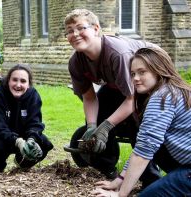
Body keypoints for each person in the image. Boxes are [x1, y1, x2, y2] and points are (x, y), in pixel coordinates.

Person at [64, 8, 161, 183]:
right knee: (95, 122)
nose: (75, 34)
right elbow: (89, 97)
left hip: (153, 82)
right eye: (70, 31)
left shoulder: (118, 54)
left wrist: (107, 126)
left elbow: (131, 99)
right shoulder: (76, 62)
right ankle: (109, 171)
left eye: (81, 28)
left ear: (96, 28)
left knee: (135, 124)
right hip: (119, 85)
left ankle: (150, 180)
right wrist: (93, 127)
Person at [92, 47, 191, 196]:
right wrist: (118, 181)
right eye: (133, 74)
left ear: (159, 70)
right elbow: (143, 145)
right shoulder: (173, 90)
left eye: (142, 72)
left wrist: (121, 194)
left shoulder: (163, 96)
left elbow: (143, 151)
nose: (135, 78)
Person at [0, 64, 53, 172]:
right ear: (8, 81)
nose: (18, 85)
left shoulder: (33, 95)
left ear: (29, 84)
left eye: (23, 81)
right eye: (14, 80)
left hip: (24, 135)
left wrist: (31, 140)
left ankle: (23, 164)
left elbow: (35, 122)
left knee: (44, 143)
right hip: (1, 136)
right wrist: (18, 142)